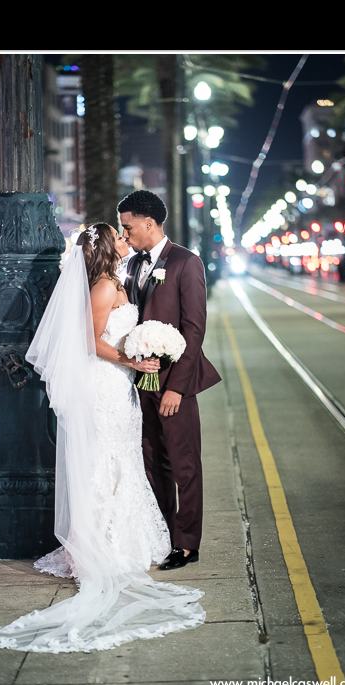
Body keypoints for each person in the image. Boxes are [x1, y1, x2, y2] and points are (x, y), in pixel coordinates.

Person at [0, 223, 205, 653]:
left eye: (127, 232)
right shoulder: (103, 289)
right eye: (120, 236)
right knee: (104, 457)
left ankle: (121, 538)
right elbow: (90, 341)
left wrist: (141, 354)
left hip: (118, 384)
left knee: (121, 455)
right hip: (104, 382)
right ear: (108, 248)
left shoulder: (118, 283)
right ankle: (99, 544)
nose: (126, 239)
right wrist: (130, 358)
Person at [119, 190, 222, 571]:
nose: (124, 234)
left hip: (173, 382)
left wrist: (176, 387)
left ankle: (187, 544)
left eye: (127, 226)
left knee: (183, 464)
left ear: (149, 223)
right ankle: (162, 535)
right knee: (151, 462)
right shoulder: (130, 265)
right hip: (138, 382)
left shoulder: (185, 262)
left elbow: (194, 329)